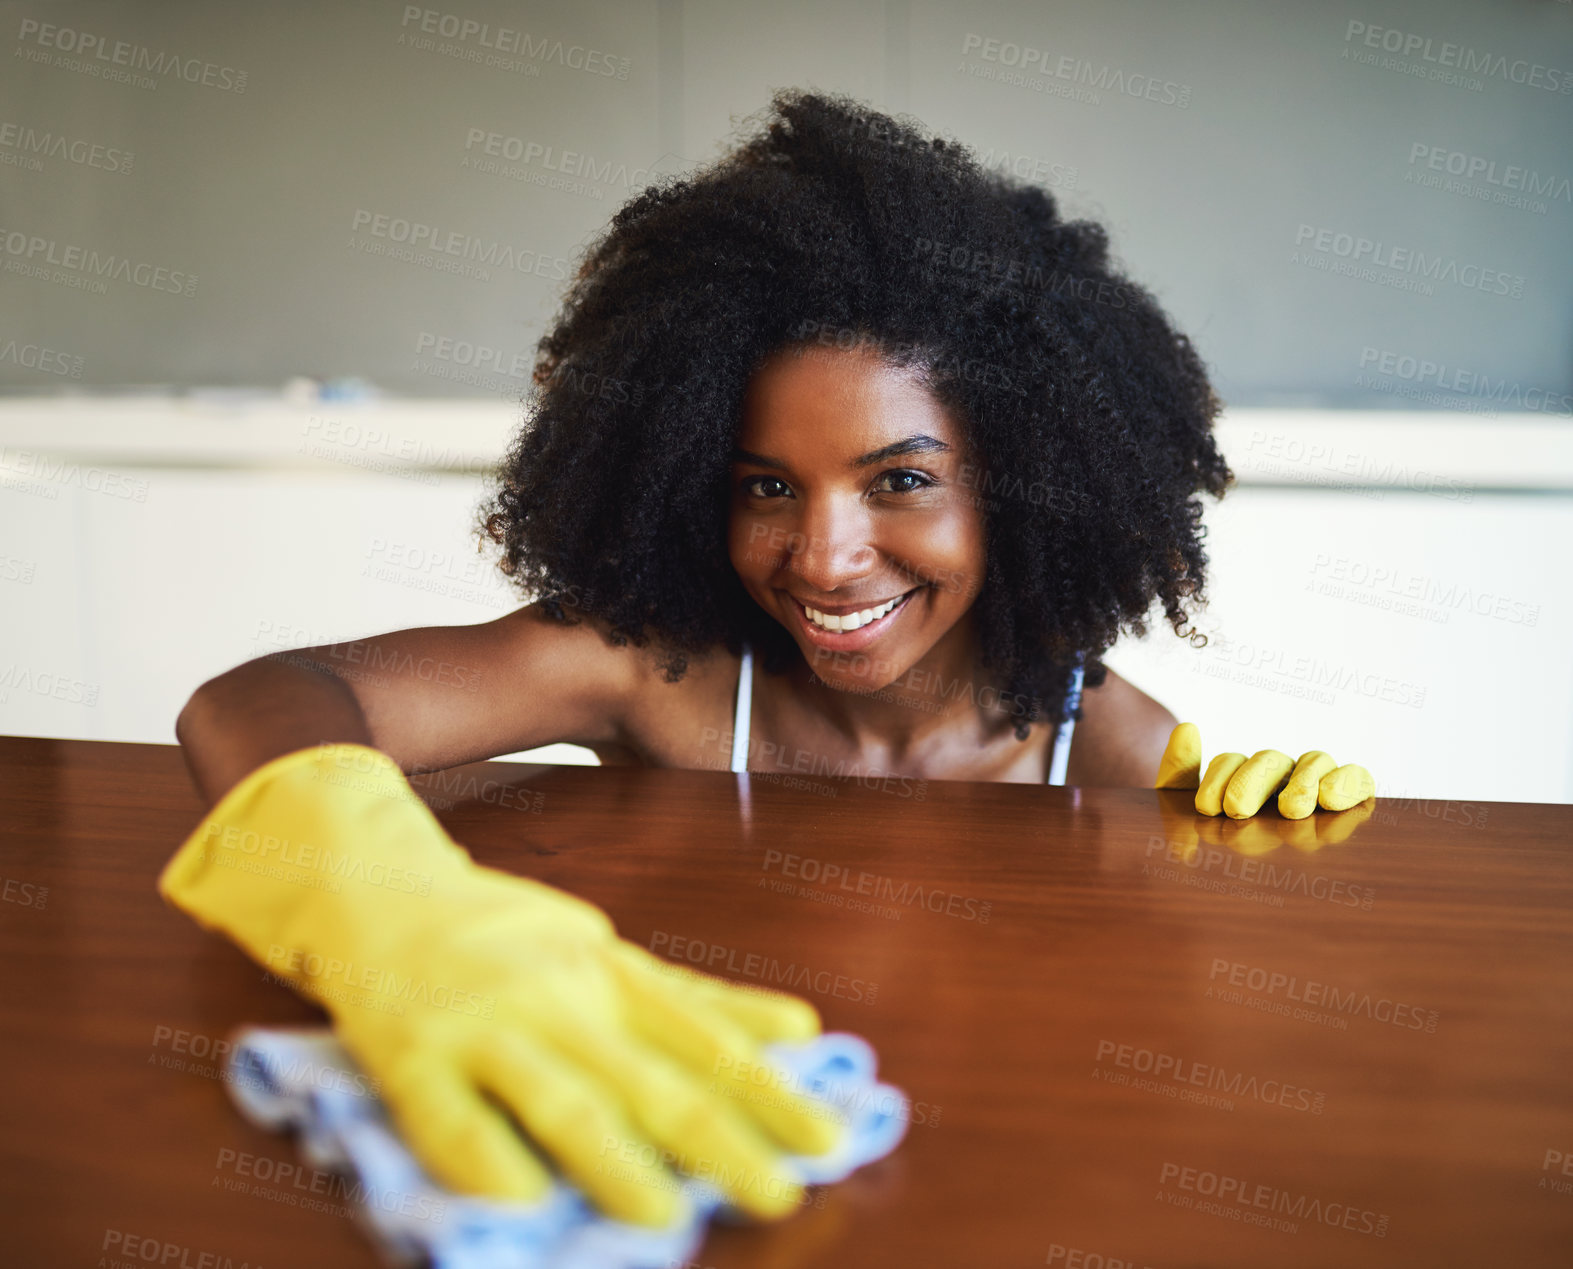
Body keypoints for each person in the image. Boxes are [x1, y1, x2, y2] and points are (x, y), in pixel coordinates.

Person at [164, 89, 1231, 1228]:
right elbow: (262, 697)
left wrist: (1267, 832)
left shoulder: (1105, 741)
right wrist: (386, 904)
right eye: (765, 487)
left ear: (1022, 485)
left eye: (901, 481)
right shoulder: (658, 675)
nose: (823, 559)